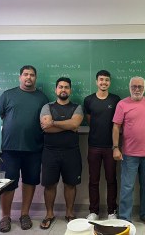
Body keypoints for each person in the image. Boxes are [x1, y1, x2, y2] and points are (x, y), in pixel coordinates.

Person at [0, 65, 49, 232]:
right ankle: (5, 216)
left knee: (30, 182)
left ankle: (24, 214)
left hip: (34, 148)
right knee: (7, 184)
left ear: (35, 77)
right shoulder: (8, 95)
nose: (29, 77)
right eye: (26, 74)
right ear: (20, 77)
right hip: (9, 149)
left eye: (32, 75)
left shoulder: (42, 98)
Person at [39, 77, 84, 230]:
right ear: (56, 90)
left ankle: (69, 213)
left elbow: (75, 123)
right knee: (49, 185)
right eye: (60, 87)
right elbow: (46, 127)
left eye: (66, 87)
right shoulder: (47, 106)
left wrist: (54, 122)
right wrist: (68, 125)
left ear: (70, 90)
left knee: (70, 184)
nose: (63, 89)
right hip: (50, 152)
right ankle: (49, 214)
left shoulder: (77, 107)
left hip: (71, 152)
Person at [112, 76, 145, 227]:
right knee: (127, 187)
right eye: (134, 86)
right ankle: (124, 218)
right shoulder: (122, 104)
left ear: (144, 88)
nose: (137, 89)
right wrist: (116, 147)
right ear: (129, 87)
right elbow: (116, 127)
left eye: (140, 87)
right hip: (129, 153)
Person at [83, 70, 120, 220]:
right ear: (96, 81)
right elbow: (90, 120)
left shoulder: (116, 100)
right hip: (94, 146)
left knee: (112, 180)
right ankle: (94, 211)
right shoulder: (88, 100)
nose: (104, 82)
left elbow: (118, 122)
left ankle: (112, 211)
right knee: (93, 180)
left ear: (109, 82)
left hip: (111, 146)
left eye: (106, 80)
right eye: (101, 80)